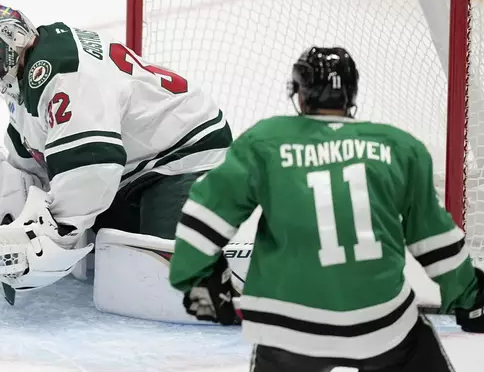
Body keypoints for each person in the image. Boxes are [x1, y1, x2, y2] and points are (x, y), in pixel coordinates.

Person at [169, 46, 484, 371]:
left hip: (286, 328)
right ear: (351, 94)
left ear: (299, 94)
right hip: (380, 324)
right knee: (408, 341)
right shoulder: (400, 147)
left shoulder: (265, 142)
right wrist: (470, 297)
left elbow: (206, 215)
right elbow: (434, 240)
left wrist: (197, 278)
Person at [0, 1, 232, 294]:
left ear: (5, 47)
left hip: (187, 155)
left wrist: (56, 233)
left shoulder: (62, 73)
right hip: (137, 166)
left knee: (162, 276)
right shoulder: (32, 68)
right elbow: (27, 156)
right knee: (108, 251)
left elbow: (93, 166)